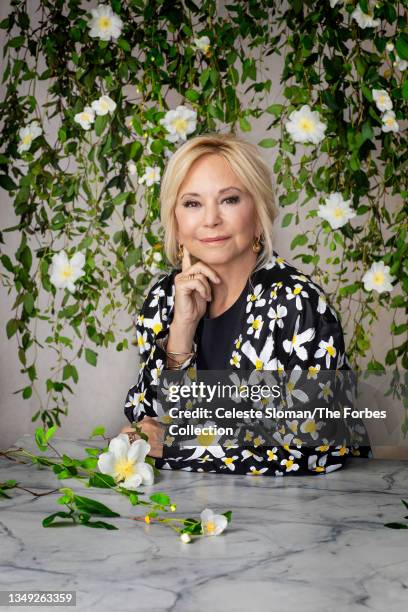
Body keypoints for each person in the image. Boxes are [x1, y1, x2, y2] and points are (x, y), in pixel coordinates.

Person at [121, 133, 372, 476]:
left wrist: (179, 445)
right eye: (192, 203)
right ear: (176, 224)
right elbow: (148, 423)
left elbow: (314, 447)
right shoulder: (163, 299)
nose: (210, 219)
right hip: (192, 507)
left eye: (229, 200)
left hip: (308, 508)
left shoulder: (299, 304)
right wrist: (180, 332)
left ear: (258, 213)